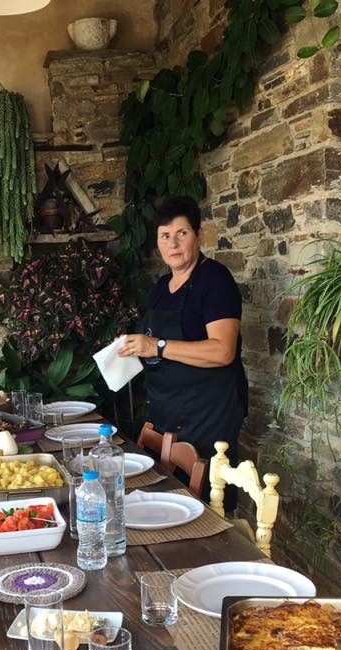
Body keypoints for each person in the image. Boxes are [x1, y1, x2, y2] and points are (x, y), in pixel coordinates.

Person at [117, 196, 248, 505]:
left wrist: (157, 346)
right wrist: (132, 347)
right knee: (163, 499)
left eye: (181, 233)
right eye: (165, 236)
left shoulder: (215, 281)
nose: (173, 244)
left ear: (198, 235)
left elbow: (223, 351)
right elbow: (152, 343)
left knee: (207, 506)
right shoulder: (161, 288)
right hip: (166, 411)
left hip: (208, 414)